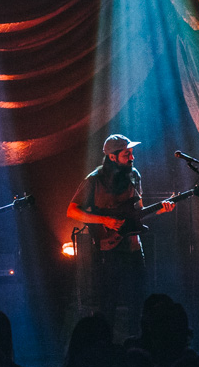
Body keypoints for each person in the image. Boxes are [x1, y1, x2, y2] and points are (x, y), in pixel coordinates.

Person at [66, 134, 175, 337]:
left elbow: (138, 212)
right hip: (108, 248)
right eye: (127, 154)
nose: (132, 158)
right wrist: (104, 220)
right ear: (112, 157)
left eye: (132, 153)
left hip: (133, 246)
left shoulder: (134, 175)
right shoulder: (94, 179)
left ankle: (136, 341)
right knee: (108, 302)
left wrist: (160, 210)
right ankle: (104, 343)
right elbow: (72, 211)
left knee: (138, 300)